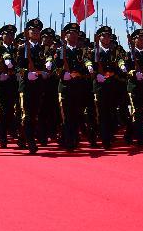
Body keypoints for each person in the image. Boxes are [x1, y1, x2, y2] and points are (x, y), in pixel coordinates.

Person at [52, 22, 90, 151]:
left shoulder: (81, 52)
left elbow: (85, 69)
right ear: (65, 35)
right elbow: (55, 68)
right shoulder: (60, 51)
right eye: (70, 33)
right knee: (66, 115)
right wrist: (63, 74)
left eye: (75, 33)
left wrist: (81, 72)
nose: (73, 35)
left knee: (76, 114)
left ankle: (73, 138)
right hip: (65, 87)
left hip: (78, 87)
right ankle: (67, 140)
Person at [16, 18, 48, 154]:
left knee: (35, 114)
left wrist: (44, 71)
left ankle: (23, 137)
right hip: (26, 86)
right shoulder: (22, 48)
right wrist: (25, 73)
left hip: (39, 85)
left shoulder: (43, 49)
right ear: (27, 32)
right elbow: (17, 68)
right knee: (27, 114)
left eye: (37, 31)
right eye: (32, 30)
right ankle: (30, 141)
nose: (35, 32)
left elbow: (46, 65)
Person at [124, 28, 143, 147]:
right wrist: (134, 73)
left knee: (142, 111)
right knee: (137, 112)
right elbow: (125, 69)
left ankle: (130, 134)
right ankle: (140, 136)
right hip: (134, 87)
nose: (142, 40)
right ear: (134, 40)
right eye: (139, 38)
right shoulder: (129, 54)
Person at [0, 24, 20, 148]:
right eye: (7, 34)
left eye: (12, 35)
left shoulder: (17, 49)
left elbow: (20, 64)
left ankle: (14, 132)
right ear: (2, 36)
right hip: (1, 83)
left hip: (14, 82)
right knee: (2, 110)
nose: (10, 37)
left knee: (14, 109)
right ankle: (2, 137)